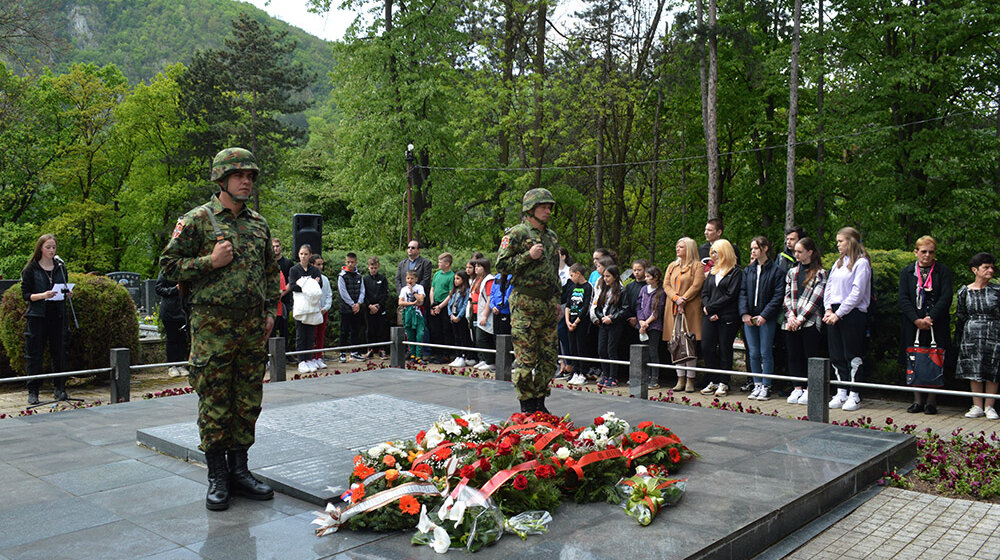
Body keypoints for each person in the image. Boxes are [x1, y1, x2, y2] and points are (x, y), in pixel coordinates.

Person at [159, 147, 278, 511]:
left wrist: (270, 311)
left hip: (251, 327)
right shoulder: (197, 220)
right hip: (212, 328)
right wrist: (209, 261)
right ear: (221, 179)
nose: (246, 181)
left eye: (250, 176)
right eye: (239, 175)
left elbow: (270, 272)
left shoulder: (258, 224)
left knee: (247, 400)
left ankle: (240, 471)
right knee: (215, 401)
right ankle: (218, 477)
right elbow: (168, 266)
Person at [496, 188, 562, 413]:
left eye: (549, 207)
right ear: (531, 209)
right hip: (525, 302)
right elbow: (501, 265)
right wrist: (528, 256)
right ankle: (526, 405)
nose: (548, 211)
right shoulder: (517, 233)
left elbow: (553, 272)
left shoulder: (551, 237)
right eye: (543, 207)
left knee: (549, 357)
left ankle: (540, 402)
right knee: (526, 358)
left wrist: (556, 300)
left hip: (547, 304)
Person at [898, 236, 952, 415]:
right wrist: (916, 319)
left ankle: (931, 401)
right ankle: (917, 400)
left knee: (934, 358)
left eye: (931, 252)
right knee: (914, 359)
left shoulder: (942, 271)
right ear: (916, 252)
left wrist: (930, 318)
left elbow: (946, 297)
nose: (927, 255)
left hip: (936, 323)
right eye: (923, 251)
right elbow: (903, 298)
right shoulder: (907, 272)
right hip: (913, 324)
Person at [823, 226, 872, 412]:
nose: (838, 245)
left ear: (851, 241)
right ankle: (841, 390)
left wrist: (840, 313)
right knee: (836, 354)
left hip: (852, 313)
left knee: (852, 355)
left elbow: (857, 292)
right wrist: (829, 309)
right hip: (834, 312)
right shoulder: (838, 263)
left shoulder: (861, 263)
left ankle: (855, 393)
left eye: (840, 241)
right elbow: (829, 287)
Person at [21, 234, 71, 405]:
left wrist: (67, 293)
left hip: (57, 315)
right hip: (38, 316)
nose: (51, 250)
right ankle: (33, 391)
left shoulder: (60, 268)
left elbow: (63, 286)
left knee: (60, 353)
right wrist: (43, 295)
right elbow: (26, 295)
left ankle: (60, 388)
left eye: (54, 247)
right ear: (40, 248)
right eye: (48, 247)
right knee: (35, 354)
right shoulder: (31, 269)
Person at [739, 236, 786, 401]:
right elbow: (743, 293)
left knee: (765, 352)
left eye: (756, 248)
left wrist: (765, 315)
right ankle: (757, 384)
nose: (752, 251)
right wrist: (744, 313)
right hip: (750, 317)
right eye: (751, 248)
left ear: (765, 249)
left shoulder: (777, 271)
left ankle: (766, 385)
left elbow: (778, 296)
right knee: (753, 352)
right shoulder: (748, 270)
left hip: (766, 318)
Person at [956, 252, 1000, 420]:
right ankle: (977, 405)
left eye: (992, 267)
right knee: (973, 367)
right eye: (986, 267)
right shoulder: (964, 291)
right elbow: (961, 314)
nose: (990, 270)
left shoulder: (997, 290)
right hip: (971, 333)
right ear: (975, 270)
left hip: (994, 331)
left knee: (992, 368)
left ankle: (990, 406)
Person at [783, 237, 827, 405]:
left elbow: (816, 299)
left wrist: (800, 319)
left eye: (800, 252)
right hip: (792, 320)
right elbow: (787, 296)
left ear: (810, 252)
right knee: (793, 354)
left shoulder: (820, 273)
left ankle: (810, 389)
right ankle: (797, 388)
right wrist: (791, 316)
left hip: (810, 321)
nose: (796, 255)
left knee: (810, 355)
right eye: (795, 252)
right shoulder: (792, 272)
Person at [700, 239, 743, 397]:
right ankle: (714, 380)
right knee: (707, 347)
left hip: (727, 316)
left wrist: (712, 308)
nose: (714, 255)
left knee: (725, 348)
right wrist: (708, 310)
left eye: (716, 252)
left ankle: (724, 382)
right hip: (710, 315)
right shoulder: (713, 271)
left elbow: (731, 295)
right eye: (712, 253)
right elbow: (705, 293)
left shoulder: (736, 272)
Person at [663, 237, 705, 392]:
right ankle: (680, 379)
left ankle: (690, 380)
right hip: (673, 309)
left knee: (689, 344)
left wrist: (684, 299)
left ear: (689, 249)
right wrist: (676, 298)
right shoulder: (672, 265)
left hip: (690, 309)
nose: (677, 249)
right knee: (676, 344)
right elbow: (666, 284)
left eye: (681, 246)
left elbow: (697, 285)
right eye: (677, 246)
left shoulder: (697, 266)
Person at [289, 244, 323, 372]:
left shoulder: (315, 270)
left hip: (312, 306)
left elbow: (319, 286)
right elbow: (293, 286)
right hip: (300, 306)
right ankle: (301, 360)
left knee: (310, 334)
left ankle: (309, 359)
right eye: (301, 254)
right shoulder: (294, 270)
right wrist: (310, 284)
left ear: (310, 255)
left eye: (306, 254)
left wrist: (304, 283)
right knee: (301, 334)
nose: (303, 256)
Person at [594, 264, 628, 387]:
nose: (605, 279)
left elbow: (625, 309)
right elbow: (598, 308)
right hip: (603, 323)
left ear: (615, 276)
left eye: (608, 276)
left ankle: (613, 377)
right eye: (604, 276)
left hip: (615, 324)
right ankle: (605, 374)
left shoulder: (622, 291)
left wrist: (612, 318)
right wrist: (601, 317)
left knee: (611, 350)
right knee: (601, 350)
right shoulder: (604, 290)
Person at [155, 272, 190, 378]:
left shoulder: (185, 271)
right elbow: (158, 289)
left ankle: (181, 364)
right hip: (169, 311)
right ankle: (172, 366)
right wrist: (175, 289)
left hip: (182, 311)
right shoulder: (166, 272)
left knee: (182, 339)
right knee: (172, 339)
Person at [636, 265, 666, 387]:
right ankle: (645, 375)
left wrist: (647, 322)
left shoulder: (661, 291)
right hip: (642, 325)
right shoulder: (643, 289)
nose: (646, 279)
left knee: (653, 351)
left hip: (654, 326)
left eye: (648, 276)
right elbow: (639, 305)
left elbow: (658, 310)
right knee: (644, 351)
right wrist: (641, 321)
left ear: (656, 277)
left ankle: (655, 377)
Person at [564, 263, 593, 386]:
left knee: (581, 347)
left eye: (572, 275)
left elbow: (586, 306)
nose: (570, 278)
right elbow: (568, 305)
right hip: (570, 321)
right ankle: (575, 371)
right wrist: (567, 321)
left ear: (578, 274)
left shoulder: (588, 287)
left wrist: (576, 322)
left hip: (581, 322)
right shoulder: (572, 287)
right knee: (573, 347)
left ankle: (582, 372)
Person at [337, 252, 366, 362]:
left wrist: (358, 303)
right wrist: (352, 304)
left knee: (356, 330)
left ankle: (355, 352)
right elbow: (343, 292)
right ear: (345, 262)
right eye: (348, 262)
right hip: (346, 308)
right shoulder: (342, 276)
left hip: (357, 308)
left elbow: (362, 290)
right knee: (344, 331)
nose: (350, 264)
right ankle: (342, 353)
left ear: (356, 262)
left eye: (352, 262)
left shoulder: (359, 276)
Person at [469, 258, 496, 370]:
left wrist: (485, 315)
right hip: (476, 311)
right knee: (477, 338)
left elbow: (489, 298)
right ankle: (484, 359)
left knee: (483, 338)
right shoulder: (477, 279)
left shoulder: (489, 280)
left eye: (479, 266)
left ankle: (490, 361)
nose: (476, 268)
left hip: (485, 313)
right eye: (475, 266)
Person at [428, 253, 456, 363]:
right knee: (435, 330)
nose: (438, 264)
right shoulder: (436, 274)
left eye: (440, 262)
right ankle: (437, 353)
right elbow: (432, 289)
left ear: (447, 264)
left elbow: (450, 294)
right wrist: (433, 305)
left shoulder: (451, 276)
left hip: (444, 306)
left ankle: (446, 355)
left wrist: (440, 306)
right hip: (435, 304)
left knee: (445, 330)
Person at [396, 240, 433, 319]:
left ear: (419, 250)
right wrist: (402, 295)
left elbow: (426, 280)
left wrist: (415, 293)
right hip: (406, 303)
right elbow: (398, 280)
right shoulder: (402, 264)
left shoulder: (426, 263)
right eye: (408, 247)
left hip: (419, 303)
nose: (410, 249)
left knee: (420, 324)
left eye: (413, 248)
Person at [363, 256, 390, 359]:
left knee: (381, 329)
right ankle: (370, 349)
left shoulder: (382, 278)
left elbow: (385, 294)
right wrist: (369, 306)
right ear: (368, 267)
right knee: (370, 329)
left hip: (380, 308)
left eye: (375, 268)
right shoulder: (365, 279)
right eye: (371, 268)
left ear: (378, 267)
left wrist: (378, 306)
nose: (373, 270)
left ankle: (381, 350)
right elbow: (363, 294)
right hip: (369, 309)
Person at [399, 270, 426, 362]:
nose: (410, 280)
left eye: (412, 278)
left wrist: (413, 292)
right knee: (410, 335)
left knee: (420, 334)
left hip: (418, 314)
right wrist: (411, 303)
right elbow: (400, 302)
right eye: (408, 278)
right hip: (407, 314)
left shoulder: (419, 287)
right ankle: (412, 355)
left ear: (416, 279)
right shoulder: (403, 289)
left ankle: (419, 356)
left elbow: (421, 300)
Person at [447, 271, 474, 367]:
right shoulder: (454, 290)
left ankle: (463, 355)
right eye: (455, 279)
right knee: (456, 337)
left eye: (458, 279)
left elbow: (465, 305)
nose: (455, 281)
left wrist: (458, 316)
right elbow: (449, 304)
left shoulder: (466, 291)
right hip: (453, 315)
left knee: (463, 337)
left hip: (461, 317)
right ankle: (458, 355)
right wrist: (451, 314)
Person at [272, 237, 294, 353]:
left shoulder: (287, 263)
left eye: (277, 246)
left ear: (281, 247)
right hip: (271, 301)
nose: (275, 248)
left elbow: (291, 282)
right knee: (271, 329)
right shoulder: (267, 262)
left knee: (284, 329)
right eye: (273, 247)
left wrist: (281, 294)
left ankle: (285, 354)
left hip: (284, 300)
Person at [312, 254, 332, 369]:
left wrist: (325, 308)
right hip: (313, 312)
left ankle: (319, 357)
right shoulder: (309, 279)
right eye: (318, 264)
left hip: (323, 311)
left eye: (321, 264)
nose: (320, 267)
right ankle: (311, 357)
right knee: (312, 335)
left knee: (321, 335)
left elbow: (329, 295)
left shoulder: (325, 279)